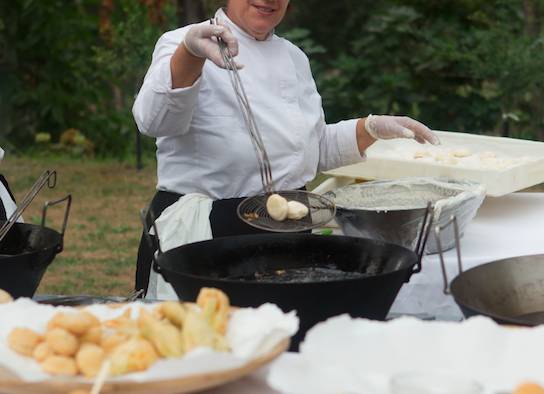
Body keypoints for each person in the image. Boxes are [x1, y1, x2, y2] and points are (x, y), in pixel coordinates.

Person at [132, 0, 440, 295]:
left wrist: (370, 128)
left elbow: (313, 149)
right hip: (208, 238)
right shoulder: (183, 43)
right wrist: (190, 54)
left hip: (286, 232)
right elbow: (153, 121)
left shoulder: (294, 58)